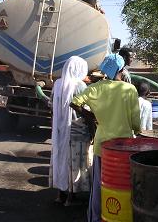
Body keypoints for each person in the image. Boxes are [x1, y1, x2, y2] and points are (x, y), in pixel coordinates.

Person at [71, 54, 141, 222]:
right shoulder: (129, 89)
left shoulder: (96, 88)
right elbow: (135, 122)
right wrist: (136, 130)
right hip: (124, 147)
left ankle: (95, 218)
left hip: (102, 145)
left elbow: (74, 102)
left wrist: (91, 115)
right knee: (122, 186)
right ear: (122, 70)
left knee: (99, 186)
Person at [49, 56, 89, 206]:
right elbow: (85, 109)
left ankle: (60, 194)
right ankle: (71, 197)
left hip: (59, 129)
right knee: (73, 163)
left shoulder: (57, 84)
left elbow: (52, 105)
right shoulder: (80, 86)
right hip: (75, 130)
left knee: (60, 158)